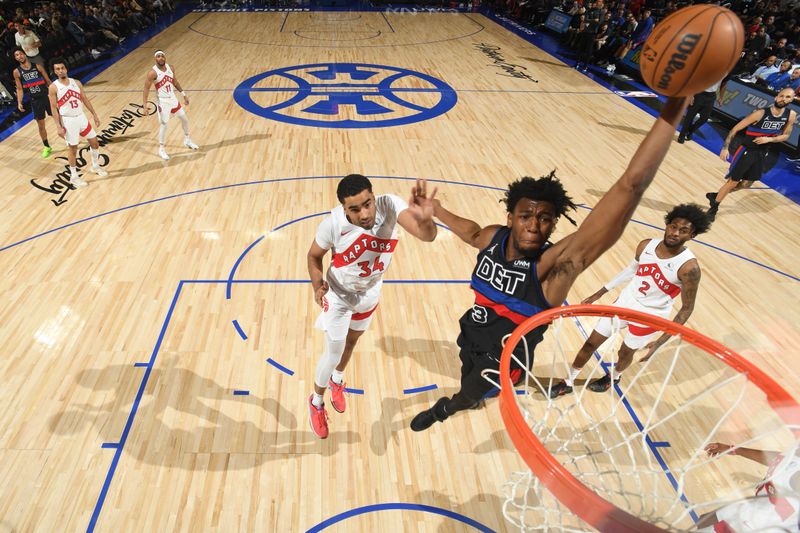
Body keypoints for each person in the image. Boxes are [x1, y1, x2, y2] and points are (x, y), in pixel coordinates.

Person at [410, 97, 689, 432]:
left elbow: (629, 186)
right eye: (526, 216)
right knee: (468, 376)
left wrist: (675, 107)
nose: (534, 225)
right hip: (470, 334)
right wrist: (436, 209)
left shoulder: (554, 268)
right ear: (510, 217)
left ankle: (445, 409)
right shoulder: (493, 237)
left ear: (554, 225)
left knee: (467, 395)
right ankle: (470, 394)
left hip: (504, 359)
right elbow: (470, 233)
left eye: (545, 219)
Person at [307, 175, 438, 439]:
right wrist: (317, 285)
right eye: (355, 209)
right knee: (332, 353)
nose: (365, 214)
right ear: (344, 209)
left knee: (352, 342)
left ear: (374, 197)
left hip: (370, 292)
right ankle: (316, 402)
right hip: (339, 296)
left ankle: (337, 380)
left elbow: (427, 236)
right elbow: (313, 256)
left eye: (368, 204)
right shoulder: (332, 225)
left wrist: (426, 220)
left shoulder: (390, 205)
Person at [548, 204, 710, 398]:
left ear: (692, 236)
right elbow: (631, 270)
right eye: (673, 226)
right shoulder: (646, 245)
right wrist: (599, 293)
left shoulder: (688, 268)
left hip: (651, 315)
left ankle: (614, 377)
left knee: (625, 352)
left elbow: (686, 309)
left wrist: (660, 342)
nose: (675, 233)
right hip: (626, 301)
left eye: (683, 231)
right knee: (591, 343)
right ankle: (568, 381)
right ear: (667, 224)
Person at [706, 88, 797, 221]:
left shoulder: (791, 115)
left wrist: (769, 139)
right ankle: (714, 208)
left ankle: (716, 196)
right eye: (781, 96)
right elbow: (735, 128)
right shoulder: (761, 113)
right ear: (776, 97)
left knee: (746, 185)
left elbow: (786, 135)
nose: (784, 99)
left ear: (792, 99)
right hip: (747, 150)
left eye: (788, 97)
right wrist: (725, 148)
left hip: (762, 152)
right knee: (733, 182)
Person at [696, 441, 800, 531]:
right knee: (703, 521)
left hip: (762, 524)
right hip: (755, 506)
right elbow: (783, 459)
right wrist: (733, 449)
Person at [47, 59, 108, 188]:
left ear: (66, 69)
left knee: (94, 142)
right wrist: (58, 126)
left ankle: (95, 166)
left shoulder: (77, 83)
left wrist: (94, 114)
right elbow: (53, 108)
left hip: (81, 117)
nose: (60, 70)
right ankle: (74, 176)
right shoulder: (53, 87)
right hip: (68, 120)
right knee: (73, 148)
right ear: (55, 72)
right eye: (57, 69)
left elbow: (84, 99)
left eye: (62, 67)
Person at [142, 50, 198, 161]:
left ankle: (187, 140)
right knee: (164, 124)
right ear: (155, 59)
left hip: (173, 99)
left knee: (184, 119)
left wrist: (183, 94)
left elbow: (175, 82)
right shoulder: (152, 73)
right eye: (158, 56)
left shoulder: (170, 68)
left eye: (162, 56)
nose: (161, 58)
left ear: (165, 58)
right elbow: (146, 88)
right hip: (163, 102)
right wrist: (144, 105)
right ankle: (161, 149)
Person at [12, 48, 53, 157]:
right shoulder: (17, 72)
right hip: (35, 101)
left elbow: (48, 81)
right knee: (41, 126)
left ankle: (69, 138)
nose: (19, 56)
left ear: (24, 54)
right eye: (17, 55)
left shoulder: (37, 66)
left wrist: (56, 93)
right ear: (15, 58)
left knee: (59, 118)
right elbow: (19, 89)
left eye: (20, 53)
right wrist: (19, 102)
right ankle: (47, 147)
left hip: (46, 97)